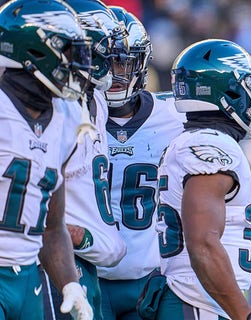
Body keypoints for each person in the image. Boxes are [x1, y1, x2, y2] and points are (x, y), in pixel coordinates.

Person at [149, 39, 251, 320]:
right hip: (198, 303)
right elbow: (203, 243)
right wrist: (244, 315)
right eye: (249, 89)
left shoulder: (193, 140)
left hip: (194, 299)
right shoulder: (212, 145)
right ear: (227, 91)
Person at [0, 0, 95, 319]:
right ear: (34, 52)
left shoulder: (67, 117)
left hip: (28, 278)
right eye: (68, 53)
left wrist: (69, 284)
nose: (77, 65)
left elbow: (52, 226)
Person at [41, 1, 128, 319]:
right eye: (104, 48)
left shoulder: (95, 102)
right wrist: (63, 230)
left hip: (87, 261)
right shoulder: (52, 106)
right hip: (57, 259)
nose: (112, 58)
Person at [97, 6, 183, 320]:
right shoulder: (71, 114)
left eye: (124, 63)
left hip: (150, 277)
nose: (115, 75)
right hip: (87, 273)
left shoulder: (175, 116)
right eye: (105, 64)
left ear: (142, 63)